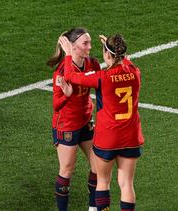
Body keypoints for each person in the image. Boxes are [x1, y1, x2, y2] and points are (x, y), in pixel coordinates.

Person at [59, 34, 144, 211]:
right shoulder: (135, 72)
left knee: (103, 182)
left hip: (108, 138)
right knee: (126, 183)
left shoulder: (101, 78)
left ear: (107, 55)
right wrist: (114, 49)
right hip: (131, 137)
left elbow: (70, 75)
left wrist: (68, 53)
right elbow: (126, 61)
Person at [47, 27, 99, 211]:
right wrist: (67, 94)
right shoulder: (61, 73)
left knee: (98, 165)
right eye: (85, 43)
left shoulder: (92, 63)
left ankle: (93, 208)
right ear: (72, 47)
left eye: (90, 42)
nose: (90, 47)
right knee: (67, 169)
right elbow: (56, 105)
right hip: (67, 125)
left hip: (85, 121)